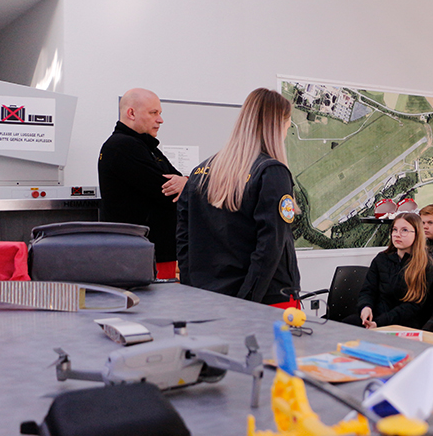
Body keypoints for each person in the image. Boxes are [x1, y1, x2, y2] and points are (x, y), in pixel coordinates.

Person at [175, 88, 300, 306]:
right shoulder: (272, 172)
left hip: (208, 299)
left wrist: (192, 290)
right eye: (287, 126)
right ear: (278, 125)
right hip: (265, 301)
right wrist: (246, 304)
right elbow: (270, 248)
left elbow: (183, 240)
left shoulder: (199, 172)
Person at [98, 88, 188, 279]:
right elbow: (167, 191)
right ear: (131, 113)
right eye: (153, 113)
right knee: (154, 306)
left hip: (153, 252)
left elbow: (177, 178)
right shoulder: (122, 146)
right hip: (140, 255)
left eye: (160, 113)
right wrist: (186, 184)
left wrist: (186, 182)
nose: (160, 120)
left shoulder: (146, 146)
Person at [345, 212, 433, 329]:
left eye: (404, 230)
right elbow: (368, 290)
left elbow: (413, 306)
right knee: (343, 327)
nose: (397, 235)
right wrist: (366, 307)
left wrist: (379, 323)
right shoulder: (381, 259)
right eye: (395, 230)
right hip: (375, 317)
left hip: (403, 323)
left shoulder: (424, 264)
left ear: (417, 234)